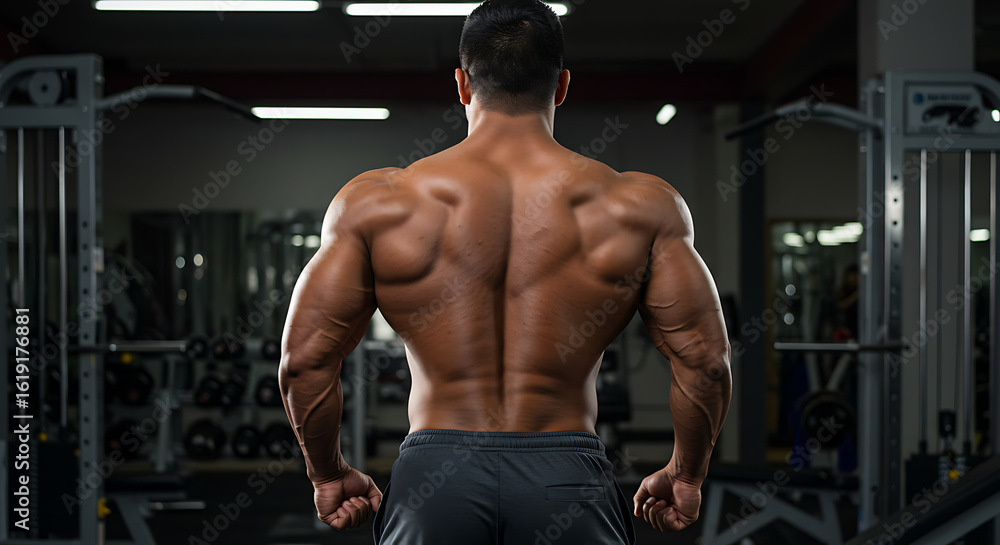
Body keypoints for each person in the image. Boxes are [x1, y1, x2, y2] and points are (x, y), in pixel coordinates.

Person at [278, 1, 732, 542]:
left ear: (463, 85)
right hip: (567, 478)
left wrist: (327, 473)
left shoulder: (376, 203)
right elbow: (706, 364)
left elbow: (303, 364)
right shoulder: (638, 206)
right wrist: (686, 473)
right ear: (562, 85)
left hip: (434, 481)